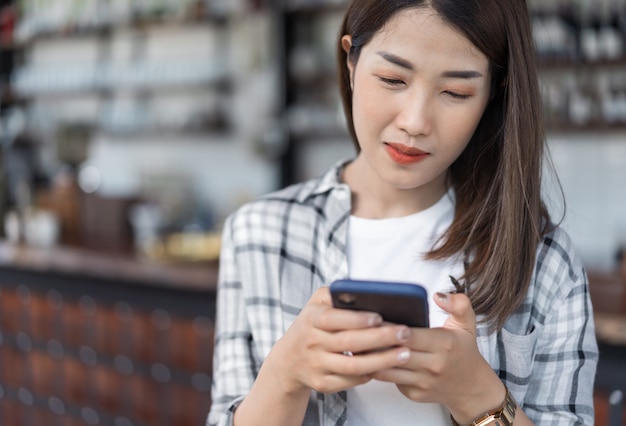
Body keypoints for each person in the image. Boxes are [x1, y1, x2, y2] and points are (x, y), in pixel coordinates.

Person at [207, 0, 598, 425]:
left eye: (455, 92)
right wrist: (284, 376)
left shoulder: (542, 258)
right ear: (351, 62)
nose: (415, 122)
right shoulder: (261, 232)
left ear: (493, 94)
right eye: (393, 79)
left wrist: (477, 395)